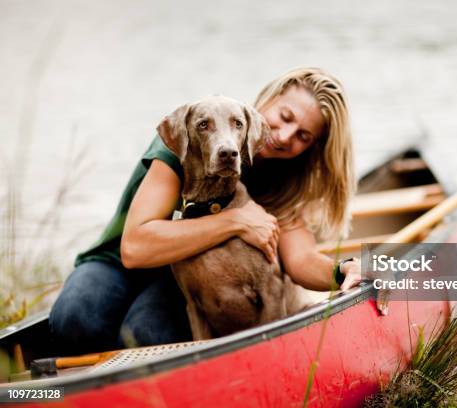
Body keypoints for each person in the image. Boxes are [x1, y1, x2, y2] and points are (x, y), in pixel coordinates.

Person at [50, 67, 364, 355]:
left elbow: (300, 260)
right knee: (74, 320)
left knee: (144, 334)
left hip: (181, 281)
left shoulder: (281, 178)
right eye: (284, 115)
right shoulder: (189, 143)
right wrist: (235, 220)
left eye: (303, 136)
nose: (284, 136)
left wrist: (346, 269)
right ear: (268, 100)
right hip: (117, 260)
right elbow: (135, 248)